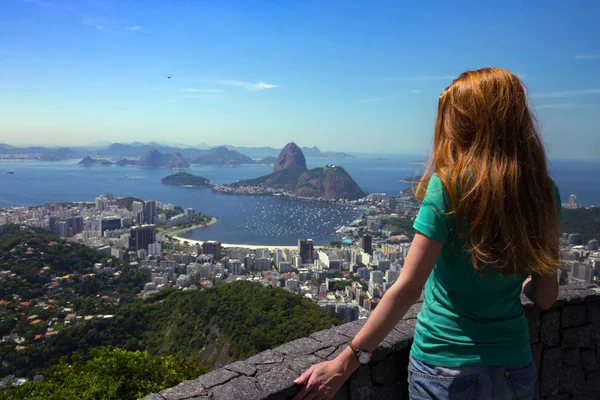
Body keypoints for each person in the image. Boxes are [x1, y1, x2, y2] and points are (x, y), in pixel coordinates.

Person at [293, 67, 561, 400]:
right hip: (515, 368)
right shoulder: (544, 192)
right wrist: (519, 284)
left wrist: (344, 363)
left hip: (444, 369)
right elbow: (547, 296)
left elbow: (407, 290)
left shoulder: (449, 185)